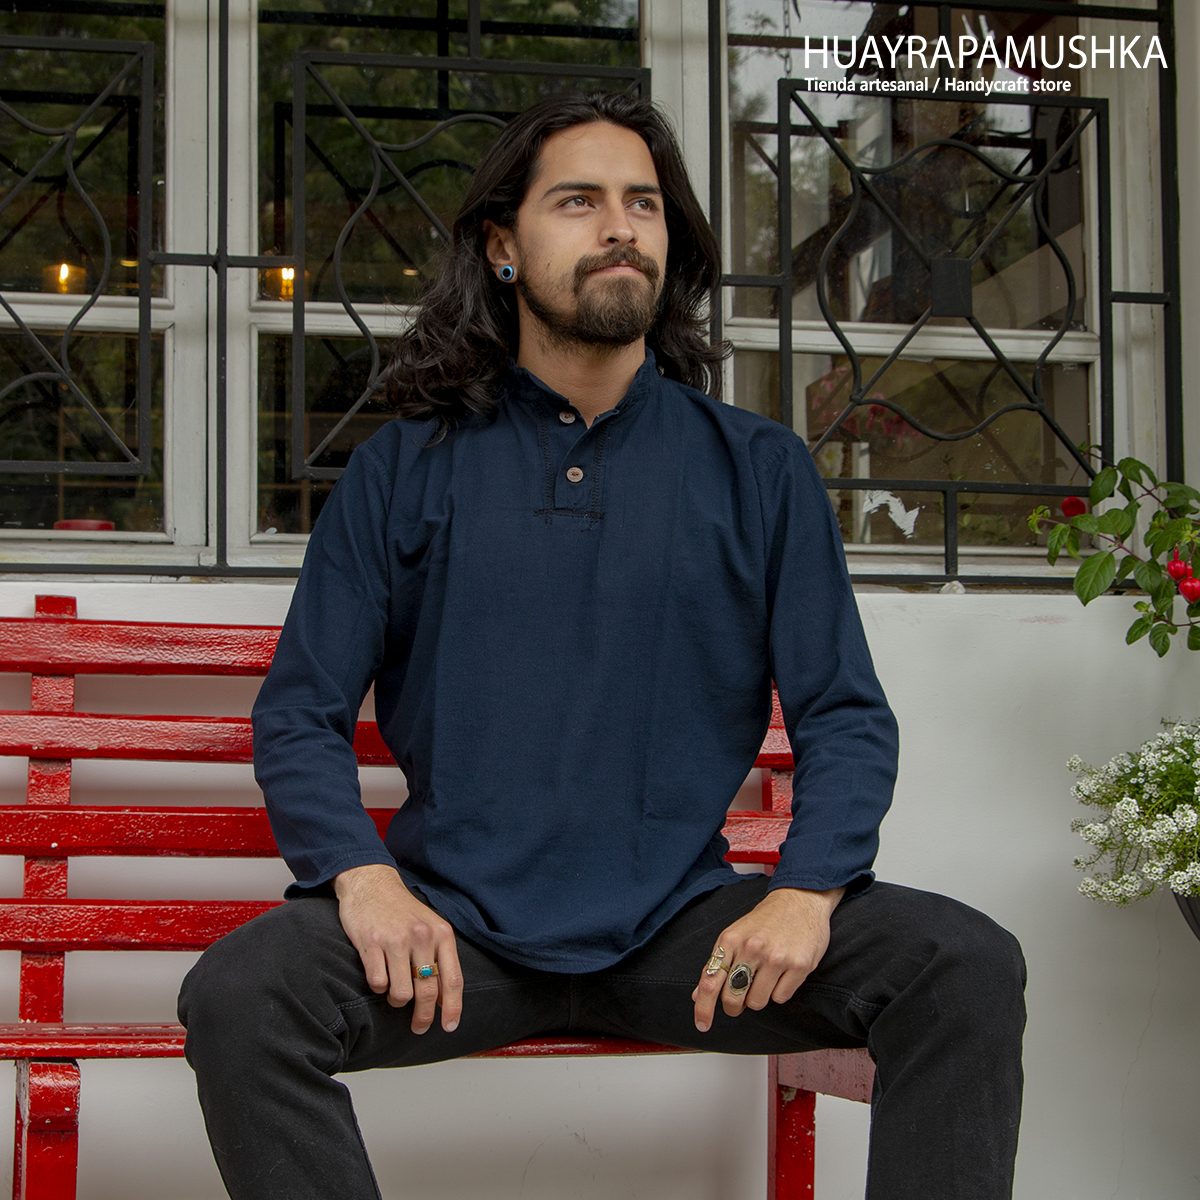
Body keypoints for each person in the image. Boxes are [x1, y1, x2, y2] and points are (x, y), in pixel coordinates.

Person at [178, 91, 1026, 1200]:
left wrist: (809, 889)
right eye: (578, 201)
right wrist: (362, 878)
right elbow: (299, 712)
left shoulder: (758, 470)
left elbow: (845, 716)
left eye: (644, 204)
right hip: (454, 936)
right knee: (242, 997)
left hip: (685, 937)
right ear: (502, 246)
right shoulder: (405, 469)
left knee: (964, 965)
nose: (622, 227)